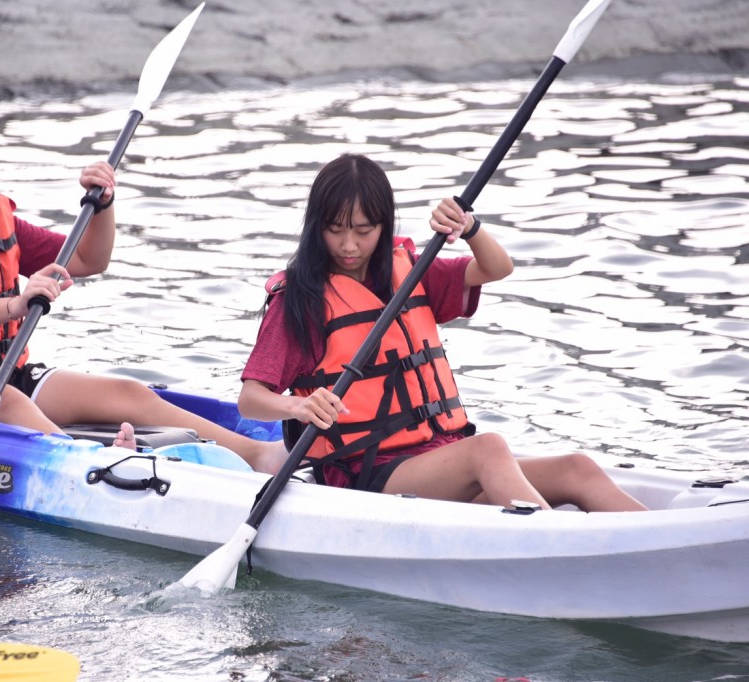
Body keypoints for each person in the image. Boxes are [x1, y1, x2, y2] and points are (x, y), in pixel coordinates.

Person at [0, 107, 287, 474]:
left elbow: (88, 260)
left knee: (127, 394)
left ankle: (260, 455)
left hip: (1, 374)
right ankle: (104, 470)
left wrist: (104, 206)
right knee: (4, 401)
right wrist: (16, 303)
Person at [238, 154, 647, 511]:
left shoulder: (411, 271)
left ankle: (656, 540)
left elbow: (496, 268)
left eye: (363, 231)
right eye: (335, 230)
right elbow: (251, 400)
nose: (349, 245)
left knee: (577, 468)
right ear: (316, 227)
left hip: (439, 458)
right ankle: (563, 545)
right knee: (488, 448)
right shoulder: (302, 300)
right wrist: (297, 408)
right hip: (368, 473)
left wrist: (469, 228)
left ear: (383, 226)